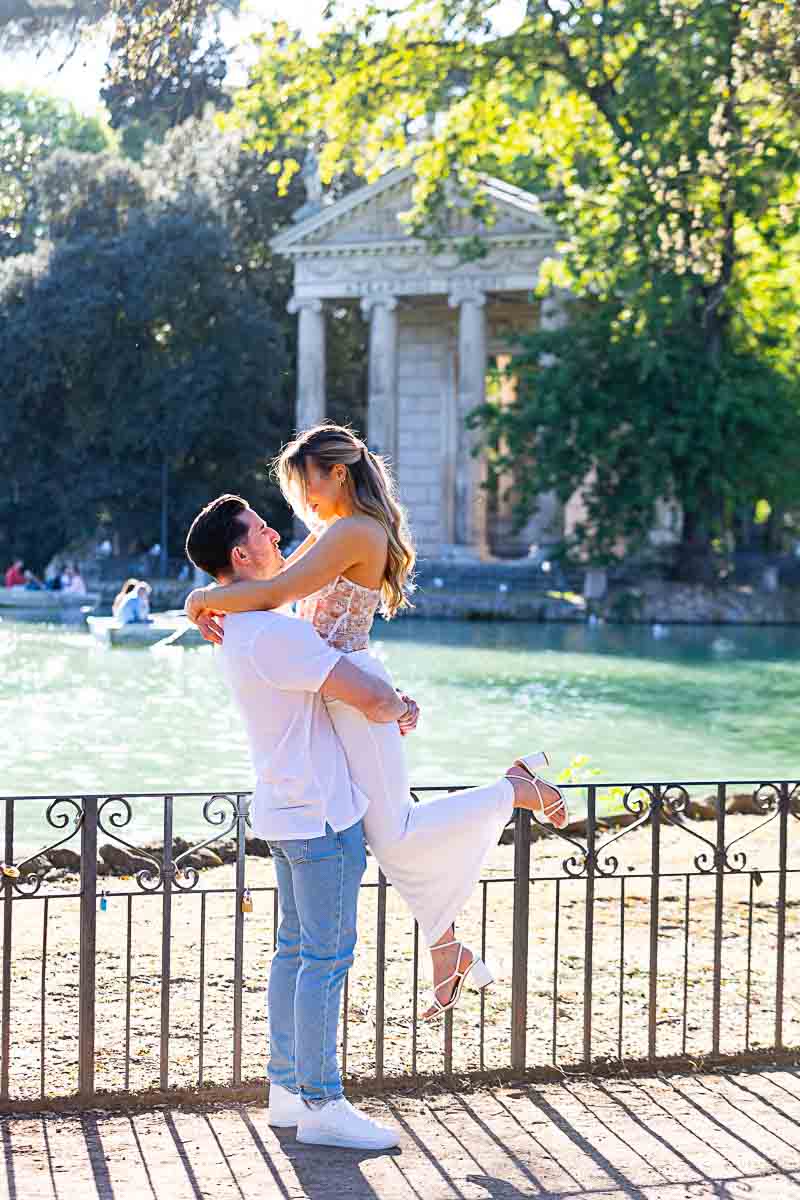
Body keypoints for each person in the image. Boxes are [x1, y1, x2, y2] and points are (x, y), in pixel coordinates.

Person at [184, 425, 569, 1022]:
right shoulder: (334, 532)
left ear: (337, 474)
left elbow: (275, 591)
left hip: (350, 688)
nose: (301, 499)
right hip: (340, 687)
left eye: (305, 483)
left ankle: (514, 791)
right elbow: (279, 598)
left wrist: (200, 601)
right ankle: (446, 948)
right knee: (380, 832)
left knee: (396, 833)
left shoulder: (355, 532)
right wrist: (204, 598)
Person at [185, 495, 415, 1150]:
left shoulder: (247, 627)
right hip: (319, 815)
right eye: (261, 529)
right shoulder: (275, 632)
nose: (274, 534)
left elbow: (345, 689)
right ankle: (323, 1105)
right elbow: (367, 695)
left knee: (294, 951)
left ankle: (286, 1090)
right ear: (241, 554)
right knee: (326, 958)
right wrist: (398, 704)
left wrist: (197, 601)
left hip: (286, 810)